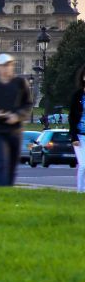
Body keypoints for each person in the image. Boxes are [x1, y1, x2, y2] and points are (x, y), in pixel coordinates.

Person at [0, 53, 33, 187]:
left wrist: (17, 116)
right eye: (3, 66)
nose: (6, 69)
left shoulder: (20, 83)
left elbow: (28, 104)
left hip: (15, 130)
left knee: (12, 164)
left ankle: (8, 190)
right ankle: (2, 189)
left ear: (12, 66)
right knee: (1, 162)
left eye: (8, 65)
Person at [67, 64, 85, 193]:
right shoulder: (77, 95)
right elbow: (71, 117)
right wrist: (73, 136)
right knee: (83, 164)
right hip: (80, 136)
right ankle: (80, 190)